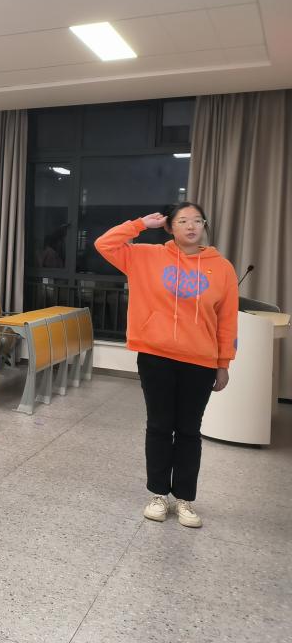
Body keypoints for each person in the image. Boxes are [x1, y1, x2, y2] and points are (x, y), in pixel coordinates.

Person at [95, 202, 238, 529]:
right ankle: (158, 494)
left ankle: (185, 499)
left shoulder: (222, 268)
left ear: (204, 226)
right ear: (170, 227)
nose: (191, 226)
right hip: (156, 357)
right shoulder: (146, 256)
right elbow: (105, 244)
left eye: (197, 220)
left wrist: (223, 363)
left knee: (189, 430)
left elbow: (227, 320)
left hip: (200, 361)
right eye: (183, 221)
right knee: (159, 426)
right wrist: (140, 224)